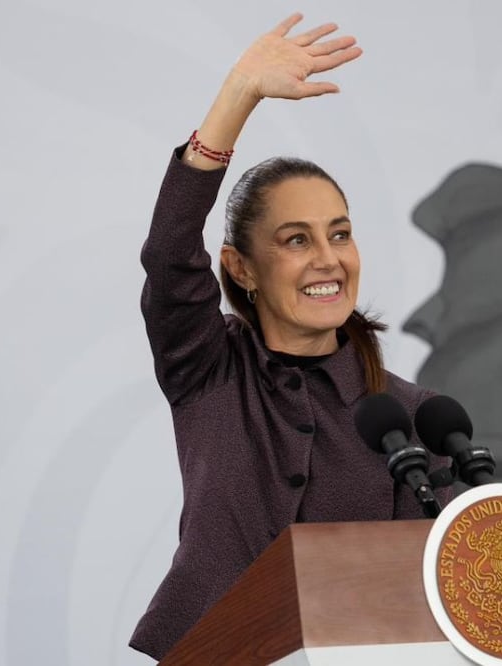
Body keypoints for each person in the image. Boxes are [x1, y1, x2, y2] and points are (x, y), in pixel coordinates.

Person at [130, 14, 451, 660]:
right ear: (239, 268)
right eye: (296, 240)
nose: (329, 259)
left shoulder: (410, 415)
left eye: (340, 233)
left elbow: (436, 593)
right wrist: (239, 94)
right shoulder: (207, 368)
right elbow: (169, 253)